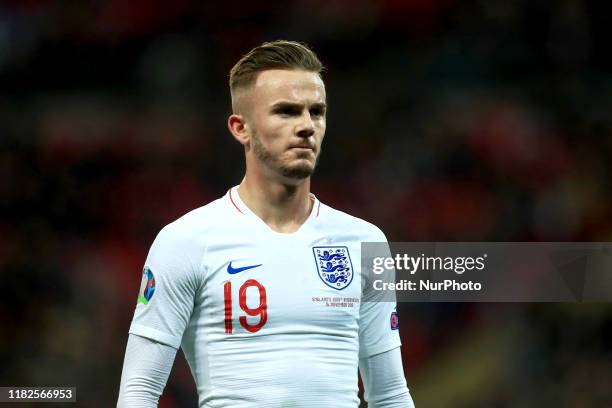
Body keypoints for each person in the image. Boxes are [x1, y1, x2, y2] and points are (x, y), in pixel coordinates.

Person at [117, 40, 415, 407]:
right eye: (286, 111)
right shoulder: (187, 241)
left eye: (316, 112)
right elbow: (140, 392)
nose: (306, 126)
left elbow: (390, 394)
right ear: (240, 128)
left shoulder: (364, 241)